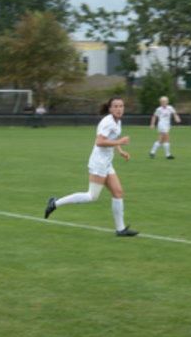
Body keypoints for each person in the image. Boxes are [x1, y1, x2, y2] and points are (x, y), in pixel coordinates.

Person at [44, 96, 139, 237]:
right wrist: (120, 142)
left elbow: (111, 139)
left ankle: (120, 229)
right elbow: (99, 142)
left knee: (118, 193)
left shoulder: (117, 121)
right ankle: (55, 203)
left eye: (121, 106)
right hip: (99, 163)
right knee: (92, 196)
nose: (119, 109)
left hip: (107, 162)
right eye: (116, 106)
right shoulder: (108, 122)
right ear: (110, 109)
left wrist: (120, 151)